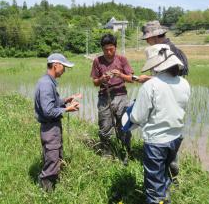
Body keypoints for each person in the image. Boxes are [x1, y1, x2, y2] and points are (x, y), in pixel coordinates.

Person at [130, 44, 190, 204]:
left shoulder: (150, 86)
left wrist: (130, 115)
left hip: (156, 141)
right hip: (176, 138)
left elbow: (137, 116)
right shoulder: (184, 83)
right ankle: (166, 199)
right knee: (165, 176)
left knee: (154, 186)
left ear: (156, 66)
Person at [34, 53, 82, 192]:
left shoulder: (47, 82)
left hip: (52, 127)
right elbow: (48, 111)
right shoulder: (46, 84)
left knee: (55, 157)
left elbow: (52, 104)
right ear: (56, 66)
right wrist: (67, 109)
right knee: (52, 160)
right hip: (50, 128)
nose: (64, 70)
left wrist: (66, 100)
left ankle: (51, 188)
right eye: (64, 67)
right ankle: (46, 193)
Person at [90, 33, 134, 161]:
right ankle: (107, 154)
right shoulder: (97, 61)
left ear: (115, 47)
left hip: (121, 96)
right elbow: (95, 82)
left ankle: (126, 153)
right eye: (105, 50)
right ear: (102, 49)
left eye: (111, 49)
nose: (109, 52)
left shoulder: (122, 60)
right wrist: (102, 79)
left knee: (124, 126)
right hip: (105, 97)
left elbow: (131, 79)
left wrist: (120, 75)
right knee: (105, 127)